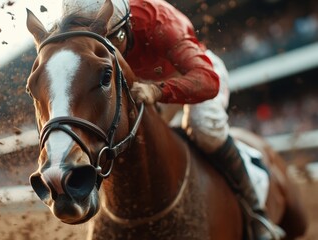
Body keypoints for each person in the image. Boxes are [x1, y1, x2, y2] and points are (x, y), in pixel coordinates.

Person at [62, 0, 281, 239]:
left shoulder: (159, 22)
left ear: (126, 27)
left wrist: (159, 91)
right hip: (143, 83)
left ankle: (256, 214)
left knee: (205, 130)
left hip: (189, 73)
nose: (104, 54)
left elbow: (207, 80)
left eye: (111, 43)